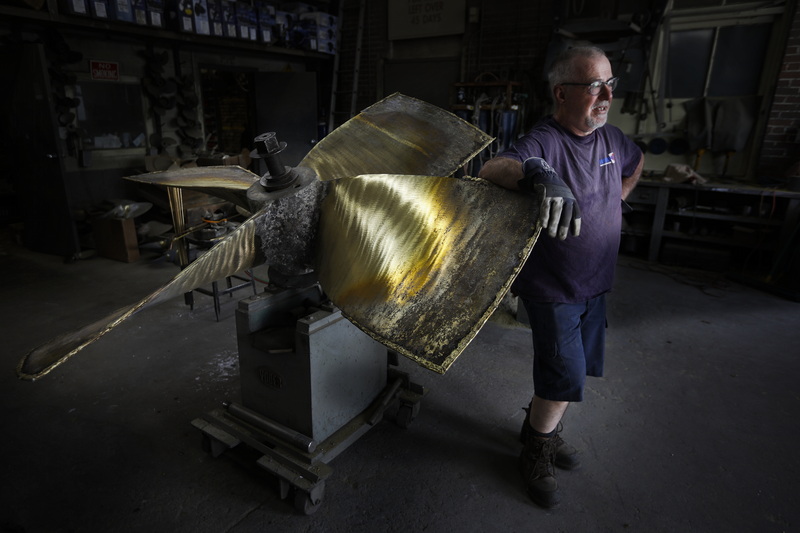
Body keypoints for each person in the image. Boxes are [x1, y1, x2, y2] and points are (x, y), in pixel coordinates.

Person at [478, 45, 644, 508]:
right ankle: (535, 449)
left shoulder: (613, 140)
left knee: (572, 373)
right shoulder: (546, 140)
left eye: (611, 83)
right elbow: (493, 168)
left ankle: (541, 434)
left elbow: (636, 162)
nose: (607, 94)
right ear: (562, 93)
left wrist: (617, 202)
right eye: (595, 85)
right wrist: (537, 174)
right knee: (562, 373)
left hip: (596, 281)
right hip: (554, 287)